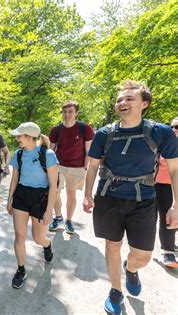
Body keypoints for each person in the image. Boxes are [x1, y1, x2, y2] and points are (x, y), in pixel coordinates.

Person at [83, 80, 178, 315]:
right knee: (112, 245)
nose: (122, 103)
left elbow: (175, 169)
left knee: (143, 256)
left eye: (129, 99)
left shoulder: (160, 132)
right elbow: (93, 165)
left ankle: (132, 269)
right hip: (108, 197)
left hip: (144, 199)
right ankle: (115, 291)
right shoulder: (104, 133)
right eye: (119, 100)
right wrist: (87, 194)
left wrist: (176, 204)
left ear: (144, 103)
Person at [7, 122, 58, 289]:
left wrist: (49, 210)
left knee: (38, 238)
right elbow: (14, 179)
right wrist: (9, 200)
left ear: (29, 137)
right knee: (19, 236)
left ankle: (47, 244)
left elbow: (53, 185)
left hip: (40, 198)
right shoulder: (18, 154)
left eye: (19, 136)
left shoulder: (48, 154)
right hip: (21, 196)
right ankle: (21, 270)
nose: (16, 139)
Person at [48, 101, 94, 234]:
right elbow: (51, 149)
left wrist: (85, 168)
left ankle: (69, 221)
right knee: (55, 192)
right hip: (58, 165)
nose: (67, 114)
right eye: (65, 112)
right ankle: (58, 217)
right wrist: (49, 166)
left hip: (77, 167)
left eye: (70, 112)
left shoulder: (85, 128)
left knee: (71, 194)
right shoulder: (56, 130)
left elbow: (88, 151)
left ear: (76, 113)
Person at [155, 117, 178, 267]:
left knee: (172, 218)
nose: (176, 129)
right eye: (174, 126)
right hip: (157, 185)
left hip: (174, 187)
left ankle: (169, 249)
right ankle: (167, 251)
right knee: (161, 218)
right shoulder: (162, 143)